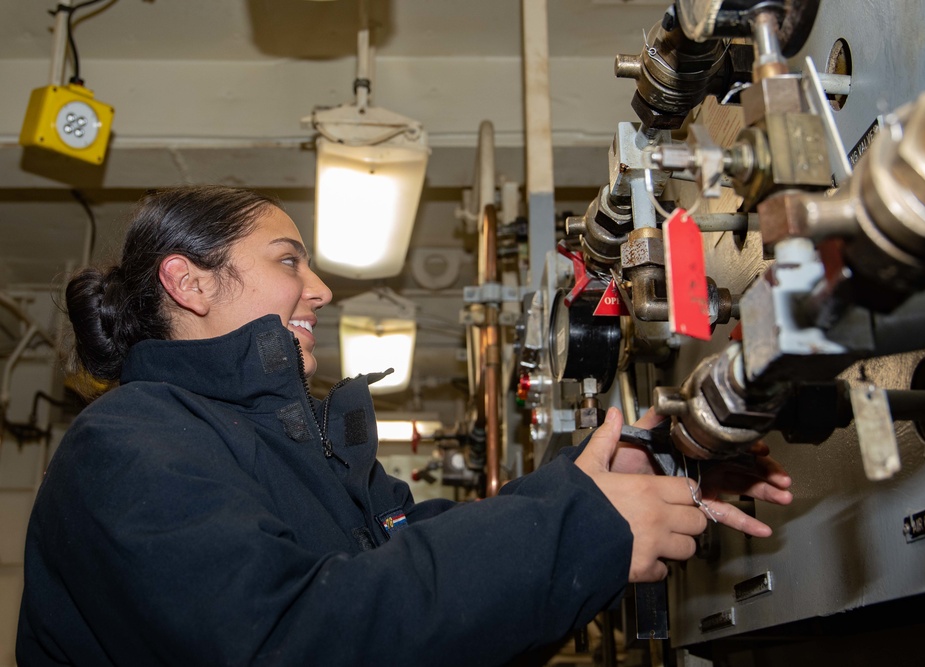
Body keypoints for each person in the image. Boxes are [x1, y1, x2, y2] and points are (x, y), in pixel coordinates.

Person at [16, 185, 792, 666]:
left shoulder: (311, 446)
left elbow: (421, 580)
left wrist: (614, 483)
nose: (318, 288)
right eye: (290, 260)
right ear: (187, 280)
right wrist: (577, 529)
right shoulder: (124, 444)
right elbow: (290, 641)